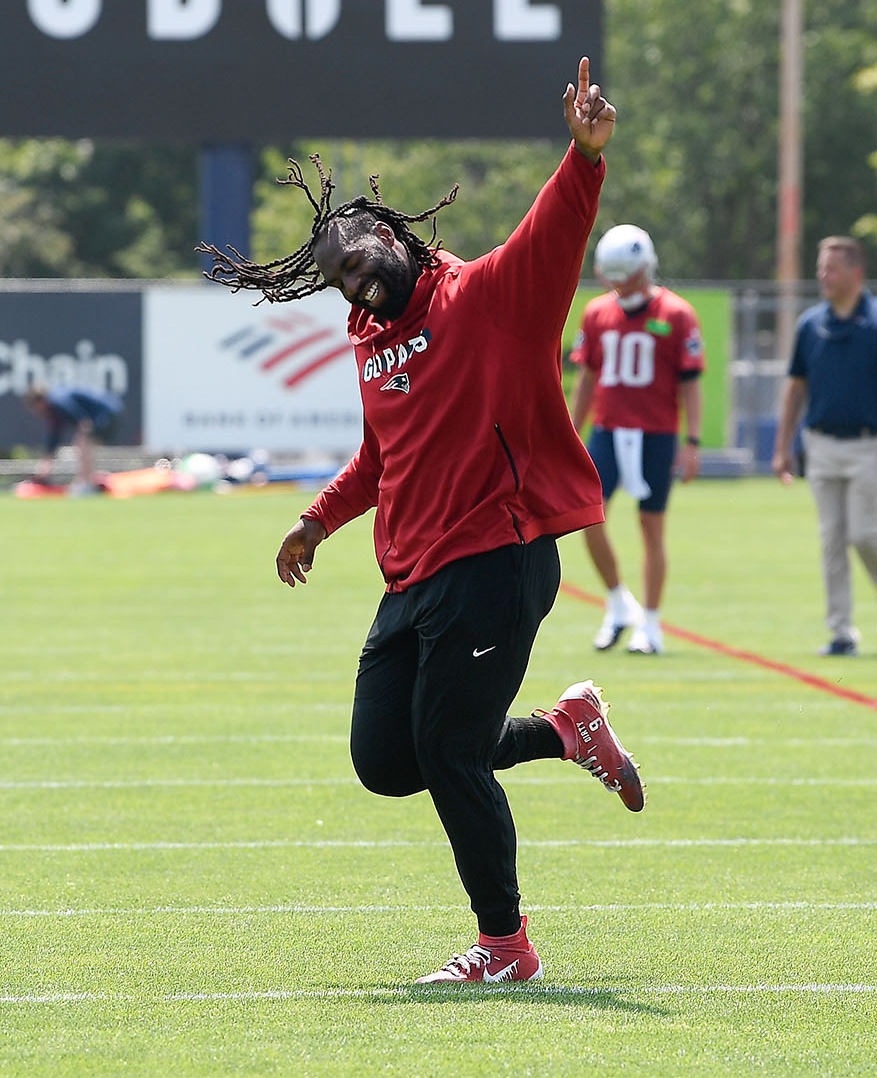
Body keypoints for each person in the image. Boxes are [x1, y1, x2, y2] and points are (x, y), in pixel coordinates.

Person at [199, 58, 645, 986]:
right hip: (412, 575)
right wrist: (317, 522)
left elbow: (551, 234)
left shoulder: (488, 299)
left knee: (446, 749)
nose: (355, 288)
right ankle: (565, 731)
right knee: (387, 759)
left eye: (361, 264)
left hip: (498, 560)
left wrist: (584, 155)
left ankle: (505, 947)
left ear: (395, 239)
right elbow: (380, 457)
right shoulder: (370, 344)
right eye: (338, 281)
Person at [770, 236, 877, 656]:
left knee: (864, 532)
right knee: (831, 540)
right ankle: (841, 633)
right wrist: (782, 445)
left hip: (867, 445)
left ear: (856, 274)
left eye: (832, 268)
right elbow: (794, 390)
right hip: (819, 445)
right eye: (821, 267)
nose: (823, 275)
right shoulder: (810, 324)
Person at [569, 224, 704, 655]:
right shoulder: (596, 312)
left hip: (656, 433)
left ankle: (651, 622)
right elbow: (588, 377)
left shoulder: (676, 314)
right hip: (608, 429)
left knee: (651, 527)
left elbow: (690, 383)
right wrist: (572, 431)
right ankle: (617, 602)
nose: (619, 283)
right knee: (586, 516)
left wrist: (693, 441)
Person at [22, 383, 124, 494]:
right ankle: (89, 480)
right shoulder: (54, 404)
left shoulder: (58, 401)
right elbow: (54, 437)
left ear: (39, 402)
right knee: (83, 442)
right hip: (105, 413)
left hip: (106, 412)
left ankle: (86, 484)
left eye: (34, 406)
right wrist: (46, 466)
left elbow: (83, 422)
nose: (36, 411)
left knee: (82, 443)